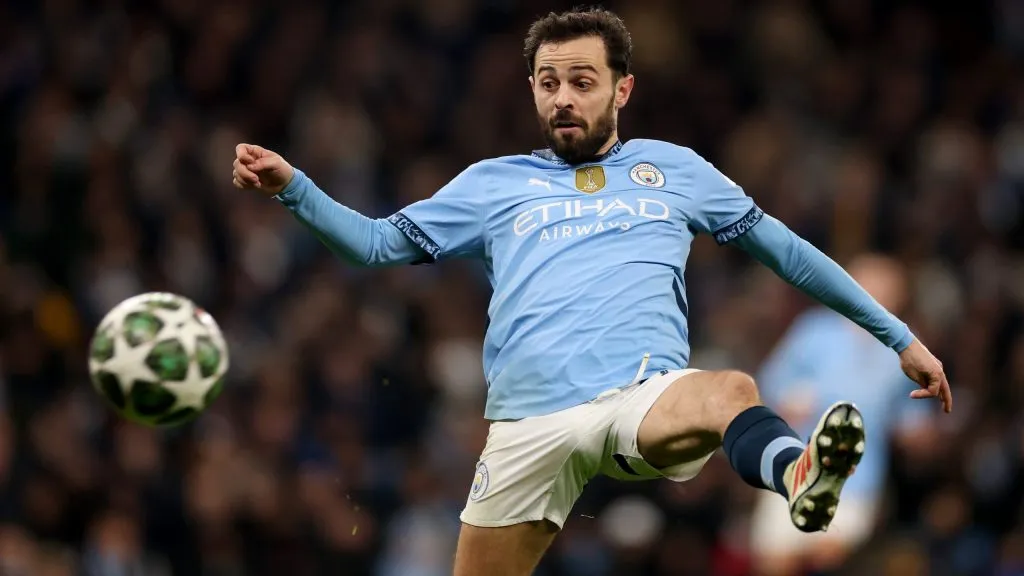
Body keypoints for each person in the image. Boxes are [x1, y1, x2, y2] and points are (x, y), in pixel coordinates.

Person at [230, 8, 952, 575]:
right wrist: (294, 189)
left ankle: (796, 473)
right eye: (549, 83)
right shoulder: (493, 184)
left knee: (730, 388)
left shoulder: (675, 170)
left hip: (639, 397)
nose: (564, 98)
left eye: (582, 80)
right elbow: (376, 245)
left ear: (622, 88)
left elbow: (789, 254)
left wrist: (900, 337)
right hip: (525, 427)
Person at [749, 254, 933, 574]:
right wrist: (786, 402)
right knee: (775, 562)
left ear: (900, 296)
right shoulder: (815, 331)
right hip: (796, 467)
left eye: (884, 287)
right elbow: (772, 382)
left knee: (829, 558)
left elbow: (912, 417)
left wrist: (919, 437)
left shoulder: (905, 350)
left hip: (856, 479)